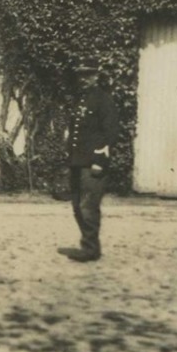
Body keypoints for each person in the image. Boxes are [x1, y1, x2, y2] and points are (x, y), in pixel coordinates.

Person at [59, 59, 118, 263]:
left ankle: (91, 248)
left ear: (96, 76)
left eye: (88, 74)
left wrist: (100, 160)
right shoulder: (79, 100)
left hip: (92, 163)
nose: (83, 79)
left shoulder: (104, 100)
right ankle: (88, 245)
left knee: (88, 207)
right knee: (77, 205)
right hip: (77, 162)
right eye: (80, 75)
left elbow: (110, 133)